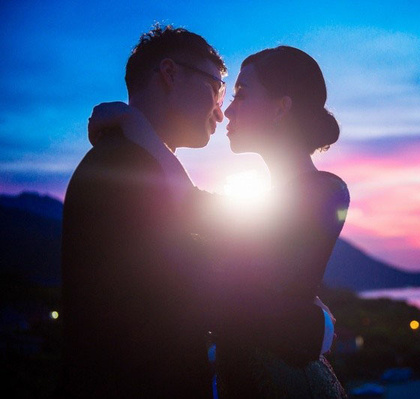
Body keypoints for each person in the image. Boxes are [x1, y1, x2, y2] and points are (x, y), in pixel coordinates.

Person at [62, 25, 330, 398]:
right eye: (219, 89)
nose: (222, 113)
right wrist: (312, 325)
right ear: (169, 74)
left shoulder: (136, 164)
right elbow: (206, 294)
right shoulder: (128, 172)